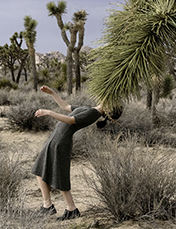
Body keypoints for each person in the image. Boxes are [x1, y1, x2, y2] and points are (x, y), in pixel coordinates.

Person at [31, 85, 121, 220]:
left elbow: (70, 120)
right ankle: (47, 205)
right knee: (39, 169)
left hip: (60, 142)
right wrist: (52, 93)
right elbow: (65, 107)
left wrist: (49, 112)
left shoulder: (93, 113)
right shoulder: (90, 109)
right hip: (56, 139)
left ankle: (71, 209)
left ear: (108, 109)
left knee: (59, 175)